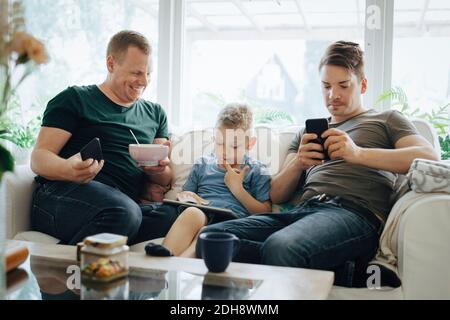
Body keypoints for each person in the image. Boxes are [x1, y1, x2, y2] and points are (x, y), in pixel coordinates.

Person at [196, 41, 439, 287]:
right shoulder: (307, 132)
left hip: (353, 213)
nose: (333, 95)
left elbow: (428, 157)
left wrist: (357, 153)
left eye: (343, 85)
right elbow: (277, 194)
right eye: (326, 86)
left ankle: (307, 262)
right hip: (304, 212)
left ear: (362, 85)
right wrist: (299, 163)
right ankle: (345, 272)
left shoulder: (386, 120)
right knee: (211, 238)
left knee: (281, 247)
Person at [30, 30, 177, 246]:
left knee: (173, 215)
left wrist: (159, 170)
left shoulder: (155, 114)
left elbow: (164, 179)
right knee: (124, 212)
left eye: (148, 73)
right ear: (111, 64)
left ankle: (99, 237)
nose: (144, 81)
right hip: (63, 194)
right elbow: (38, 158)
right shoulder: (76, 99)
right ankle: (68, 270)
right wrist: (68, 169)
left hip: (121, 203)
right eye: (136, 73)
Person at [145, 103, 272, 257]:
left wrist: (237, 190)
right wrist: (187, 197)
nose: (225, 151)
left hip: (232, 222)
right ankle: (166, 253)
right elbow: (186, 195)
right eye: (220, 143)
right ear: (214, 139)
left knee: (207, 232)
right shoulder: (203, 164)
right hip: (202, 213)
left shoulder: (255, 169)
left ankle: (175, 264)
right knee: (192, 212)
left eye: (234, 146)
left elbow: (265, 212)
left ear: (249, 144)